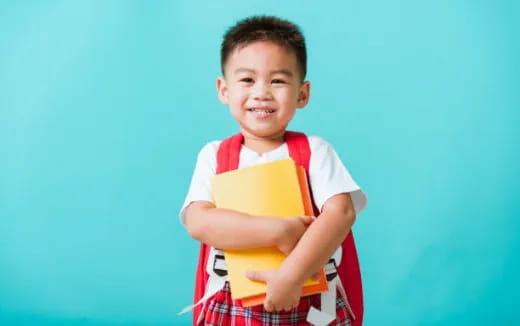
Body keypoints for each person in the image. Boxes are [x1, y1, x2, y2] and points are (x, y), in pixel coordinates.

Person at [179, 15, 367, 326]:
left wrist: (291, 275)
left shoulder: (316, 151)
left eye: (278, 80)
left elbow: (341, 214)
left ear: (302, 94)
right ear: (223, 89)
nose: (262, 92)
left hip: (309, 300)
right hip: (232, 300)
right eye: (247, 80)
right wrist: (277, 231)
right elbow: (199, 221)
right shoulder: (214, 155)